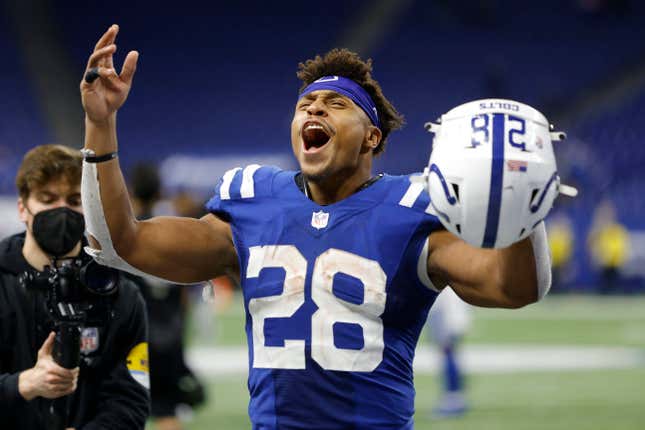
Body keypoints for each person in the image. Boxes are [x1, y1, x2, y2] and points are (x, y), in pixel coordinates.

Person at [80, 24, 552, 429]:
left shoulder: (410, 209)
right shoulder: (254, 202)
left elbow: (514, 288)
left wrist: (527, 210)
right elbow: (120, 242)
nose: (314, 110)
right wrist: (100, 125)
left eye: (335, 104)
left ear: (373, 136)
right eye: (306, 102)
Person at [0, 144, 150, 429]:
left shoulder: (118, 292)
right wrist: (23, 384)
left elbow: (131, 402)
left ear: (89, 207)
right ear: (23, 207)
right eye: (47, 199)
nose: (61, 210)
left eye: (73, 200)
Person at [128, 163, 206, 430]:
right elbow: (185, 290)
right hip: (170, 334)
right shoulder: (174, 231)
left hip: (135, 335)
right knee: (168, 410)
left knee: (122, 409)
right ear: (160, 192)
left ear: (133, 191)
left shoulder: (126, 233)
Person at [426, 287, 471, 418]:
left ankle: (453, 398)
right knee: (450, 355)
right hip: (447, 309)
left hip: (446, 310)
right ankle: (455, 397)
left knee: (448, 354)